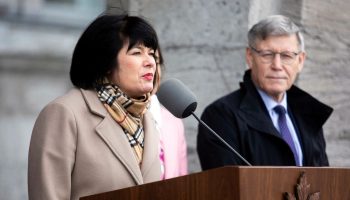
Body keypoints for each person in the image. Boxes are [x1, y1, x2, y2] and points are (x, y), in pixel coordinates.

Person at [28, 14, 163, 200]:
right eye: (137, 53)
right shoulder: (65, 114)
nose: (150, 62)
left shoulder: (147, 119)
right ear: (106, 62)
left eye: (152, 53)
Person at [197, 15, 333, 170]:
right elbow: (226, 189)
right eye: (267, 55)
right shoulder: (221, 116)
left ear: (300, 61)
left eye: (286, 56)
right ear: (250, 57)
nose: (277, 65)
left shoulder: (309, 116)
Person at [149, 49, 188, 179]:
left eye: (157, 61)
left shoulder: (173, 120)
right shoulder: (118, 118)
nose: (152, 67)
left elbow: (182, 177)